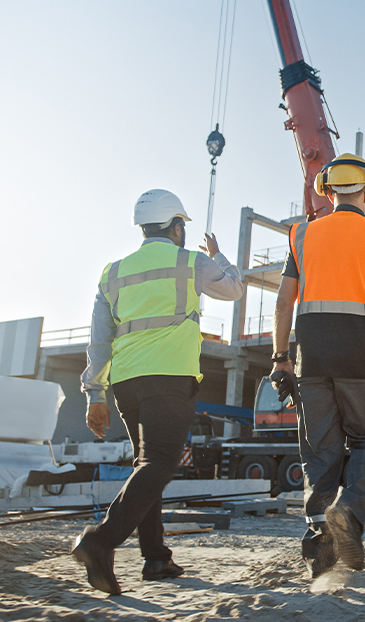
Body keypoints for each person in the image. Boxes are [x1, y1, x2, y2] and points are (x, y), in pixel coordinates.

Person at [73, 189, 244, 595]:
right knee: (161, 464)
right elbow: (234, 289)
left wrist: (93, 393)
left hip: (126, 382)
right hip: (169, 378)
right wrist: (219, 257)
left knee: (146, 466)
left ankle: (156, 558)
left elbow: (98, 340)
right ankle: (101, 540)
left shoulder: (113, 272)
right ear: (177, 226)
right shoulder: (191, 262)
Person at [270, 153, 365, 578]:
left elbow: (284, 302)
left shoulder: (301, 235)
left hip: (312, 361)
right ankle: (349, 511)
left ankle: (320, 558)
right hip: (364, 360)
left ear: (327, 189)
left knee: (321, 455)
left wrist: (282, 358)